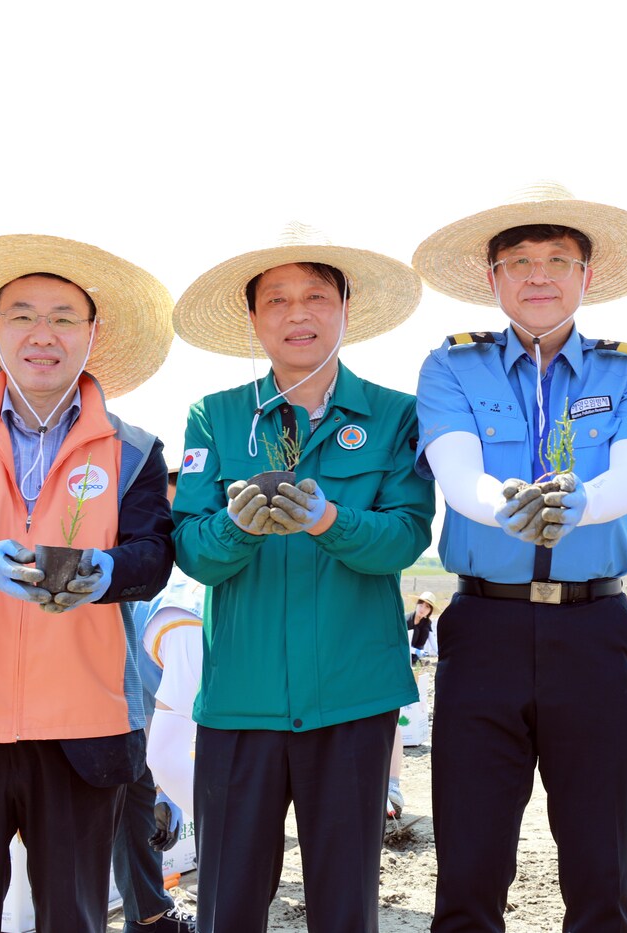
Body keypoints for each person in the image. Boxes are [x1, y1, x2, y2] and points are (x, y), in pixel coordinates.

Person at [0, 234, 175, 932]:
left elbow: (154, 554)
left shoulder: (134, 449)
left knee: (74, 918)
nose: (42, 334)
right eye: (22, 315)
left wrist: (108, 573)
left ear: (92, 332)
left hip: (86, 724)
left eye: (63, 317)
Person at [413, 182, 627, 932]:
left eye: (558, 259)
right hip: (483, 628)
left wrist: (581, 503)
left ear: (587, 275)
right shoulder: (452, 365)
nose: (538, 276)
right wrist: (506, 505)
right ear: (492, 278)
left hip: (594, 631)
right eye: (519, 261)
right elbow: (457, 470)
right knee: (469, 855)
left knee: (598, 862)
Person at [171, 222, 434, 933]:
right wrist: (238, 527)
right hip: (240, 701)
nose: (298, 314)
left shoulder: (396, 415)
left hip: (354, 698)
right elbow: (192, 549)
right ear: (253, 318)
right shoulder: (215, 417)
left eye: (316, 295)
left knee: (345, 905)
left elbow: (407, 536)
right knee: (227, 904)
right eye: (277, 299)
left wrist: (328, 519)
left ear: (346, 307)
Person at [113, 461, 200, 933]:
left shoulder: (189, 577)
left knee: (135, 792)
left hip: (139, 702)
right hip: (106, 695)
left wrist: (169, 792)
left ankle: (149, 914)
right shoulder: (159, 580)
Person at [407, 590, 436, 662]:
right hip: (404, 651)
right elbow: (404, 644)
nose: (422, 609)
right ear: (416, 605)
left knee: (425, 630)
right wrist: (416, 651)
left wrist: (441, 653)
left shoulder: (427, 622)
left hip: (416, 654)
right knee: (416, 631)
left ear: (430, 611)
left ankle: (416, 659)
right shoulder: (408, 621)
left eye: (427, 607)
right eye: (421, 605)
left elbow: (432, 641)